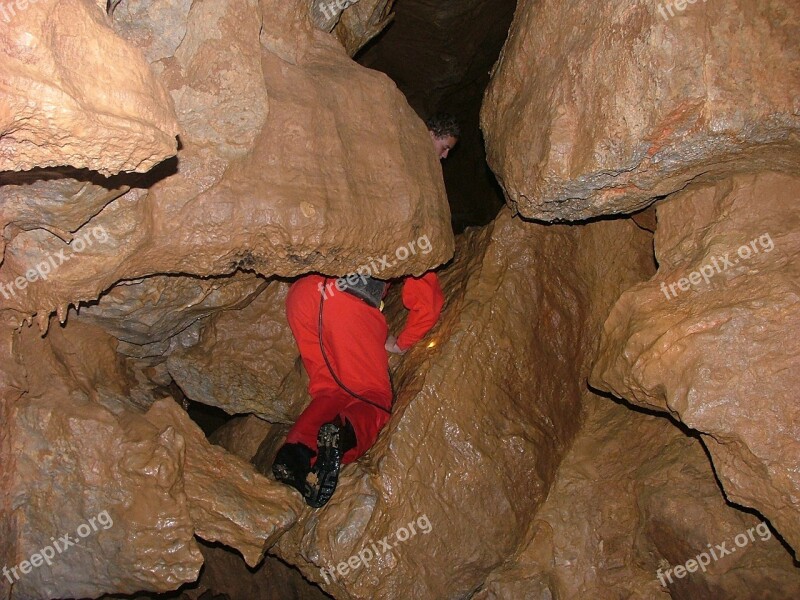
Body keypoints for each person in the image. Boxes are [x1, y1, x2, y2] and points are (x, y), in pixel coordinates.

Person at [272, 114, 458, 508]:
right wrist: (403, 343)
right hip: (348, 301)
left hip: (304, 293)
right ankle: (336, 445)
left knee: (332, 389)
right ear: (428, 137)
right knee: (373, 397)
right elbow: (427, 294)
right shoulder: (417, 196)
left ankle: (295, 455)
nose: (442, 161)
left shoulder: (368, 167)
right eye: (443, 150)